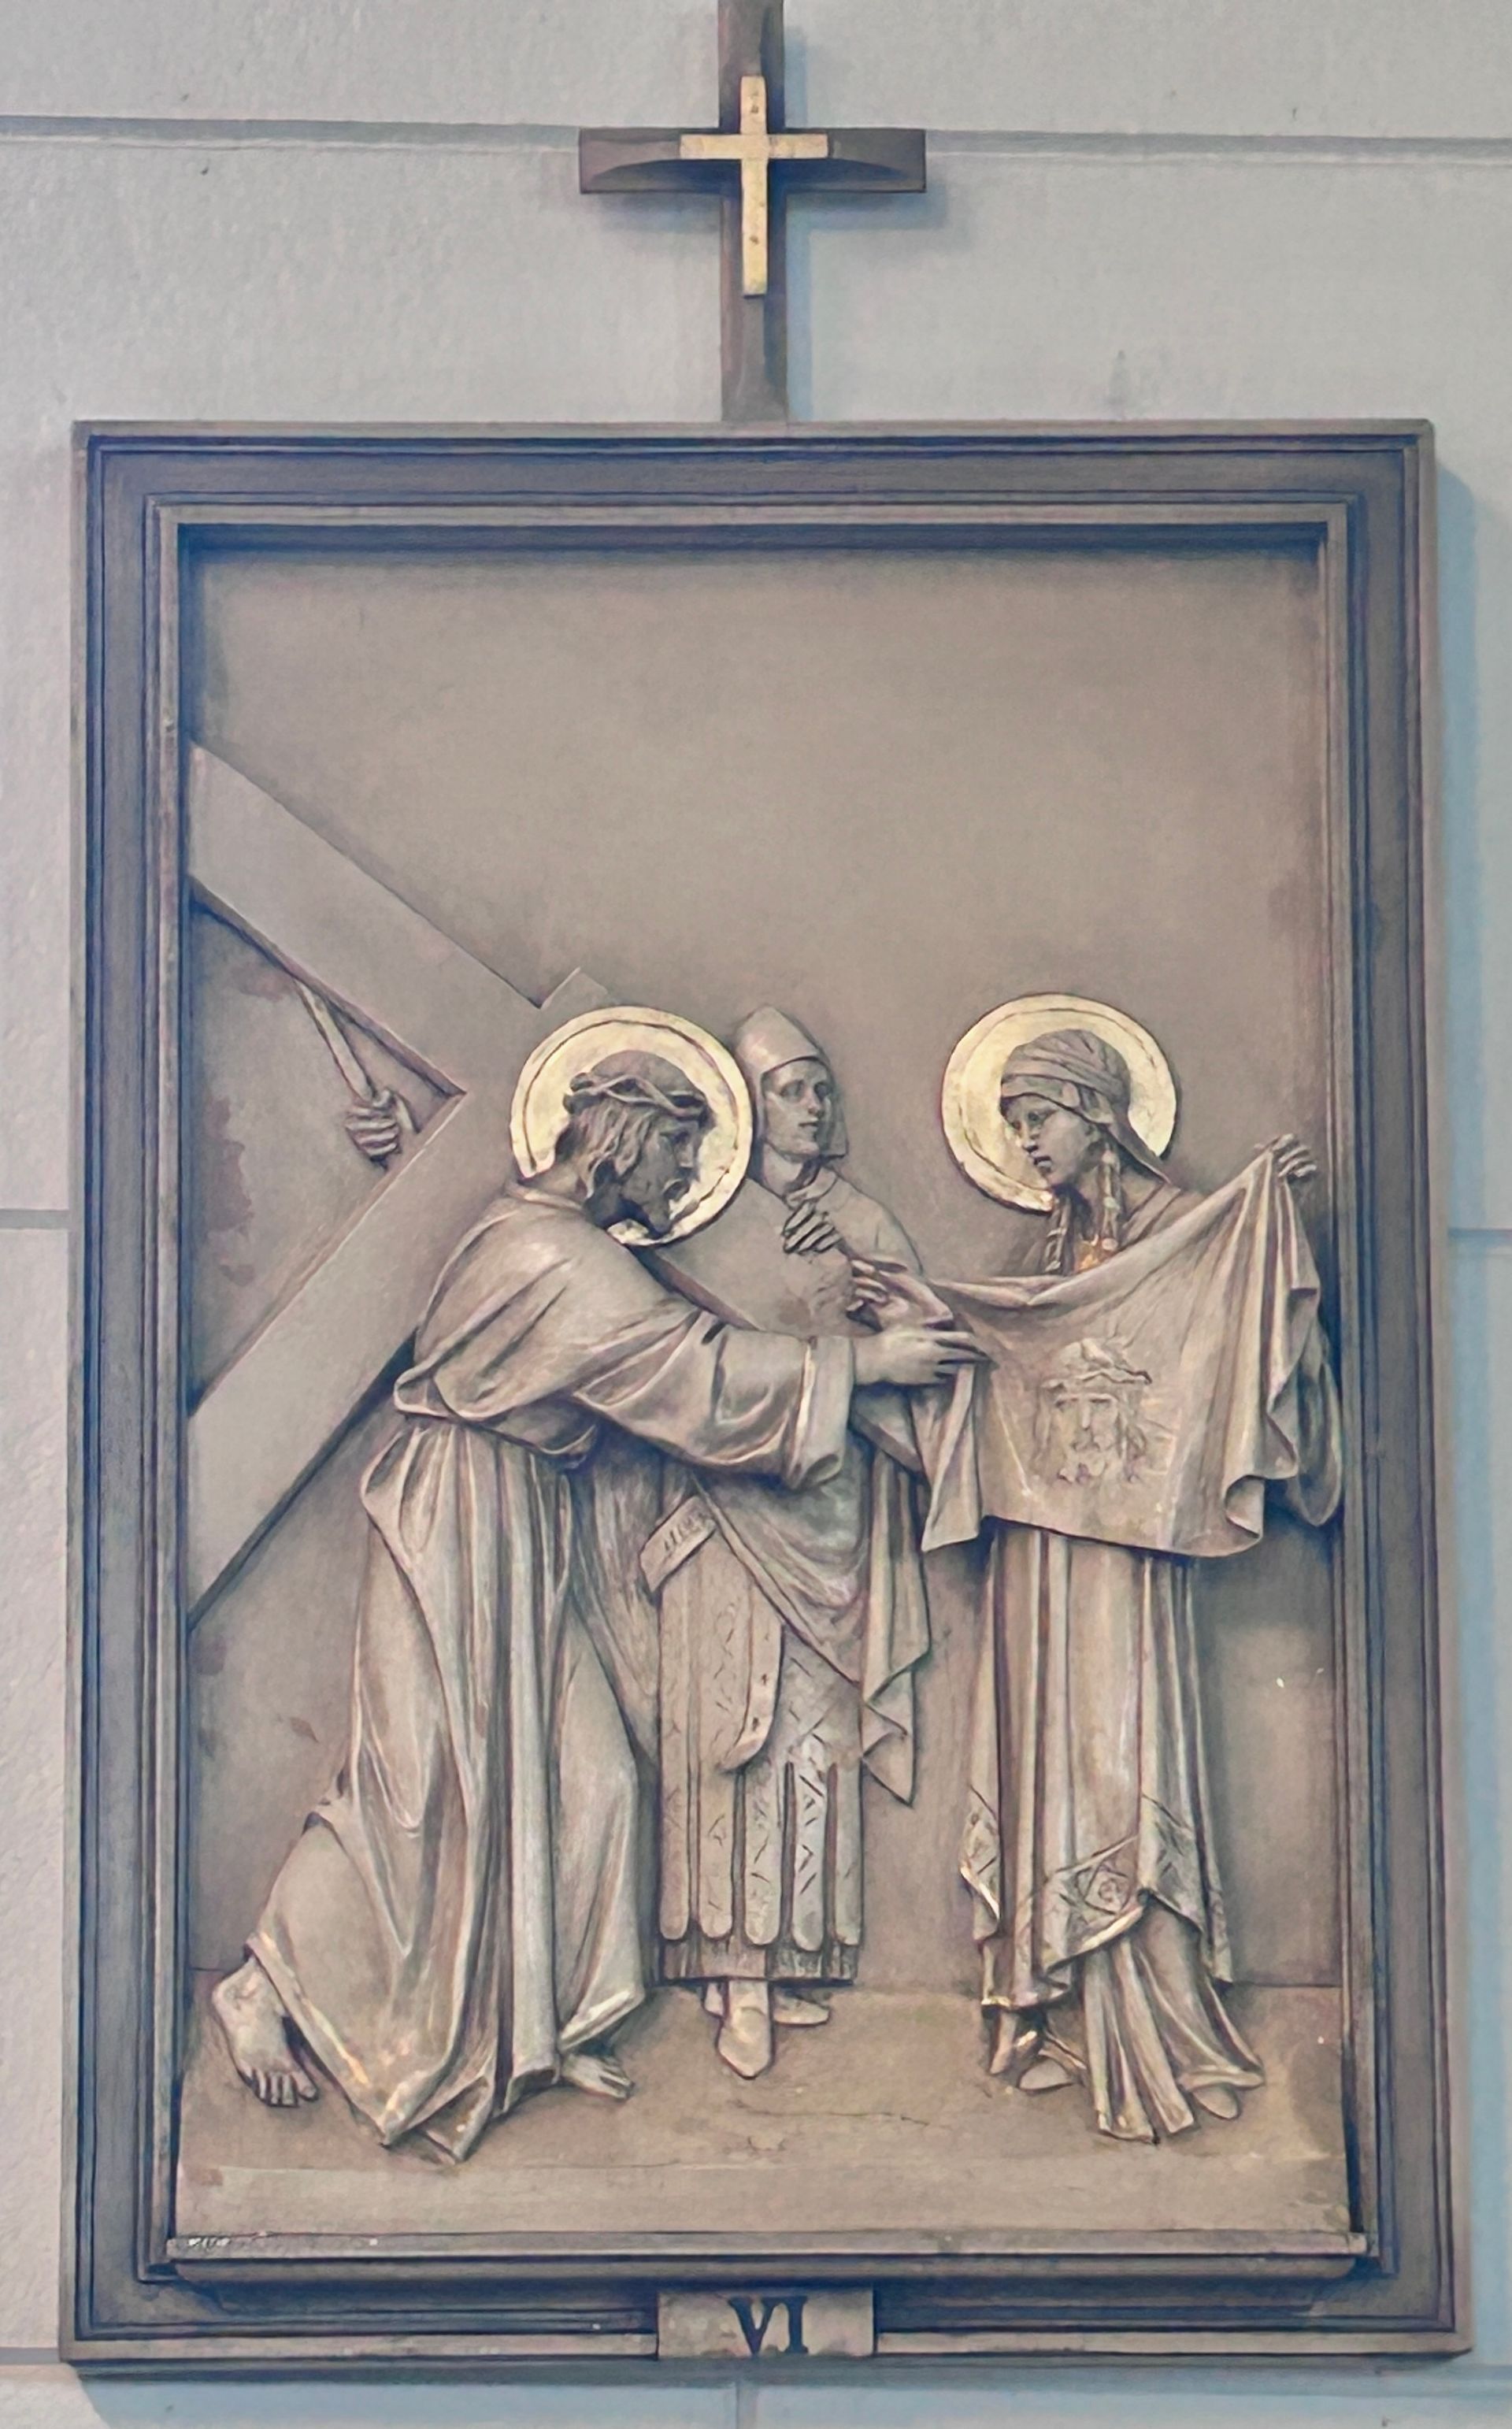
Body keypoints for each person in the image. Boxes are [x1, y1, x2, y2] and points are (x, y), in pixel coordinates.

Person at [211, 1047, 976, 2159]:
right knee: (416, 1786)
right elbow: (694, 1372)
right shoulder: (554, 1254)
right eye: (679, 1154)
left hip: (519, 1517)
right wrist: (865, 1364)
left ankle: (545, 2019)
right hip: (456, 1520)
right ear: (627, 1140)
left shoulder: (562, 1241)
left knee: (598, 1781)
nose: (685, 1180)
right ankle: (263, 1984)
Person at [929, 1026, 1342, 2143]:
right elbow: (997, 1386)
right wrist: (910, 1326)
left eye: (1039, 1118)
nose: (1027, 1142)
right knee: (1043, 1758)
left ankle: (1157, 2016)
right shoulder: (1041, 1255)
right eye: (1012, 1125)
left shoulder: (1190, 1233)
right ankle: (1055, 2007)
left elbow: (1249, 1370)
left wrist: (1265, 1243)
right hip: (1036, 1561)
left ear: (1098, 1112)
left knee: (1123, 1751)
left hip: (1123, 1561)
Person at [648, 1010, 932, 2079]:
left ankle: (798, 1953)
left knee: (812, 1742)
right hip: (728, 1510)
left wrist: (863, 1290)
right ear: (742, 1105)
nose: (813, 1106)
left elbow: (923, 1348)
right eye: (788, 1089)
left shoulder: (861, 1218)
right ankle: (735, 1976)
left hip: (831, 1517)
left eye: (821, 1088)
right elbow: (666, 1359)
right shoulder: (691, 1215)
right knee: (731, 1727)